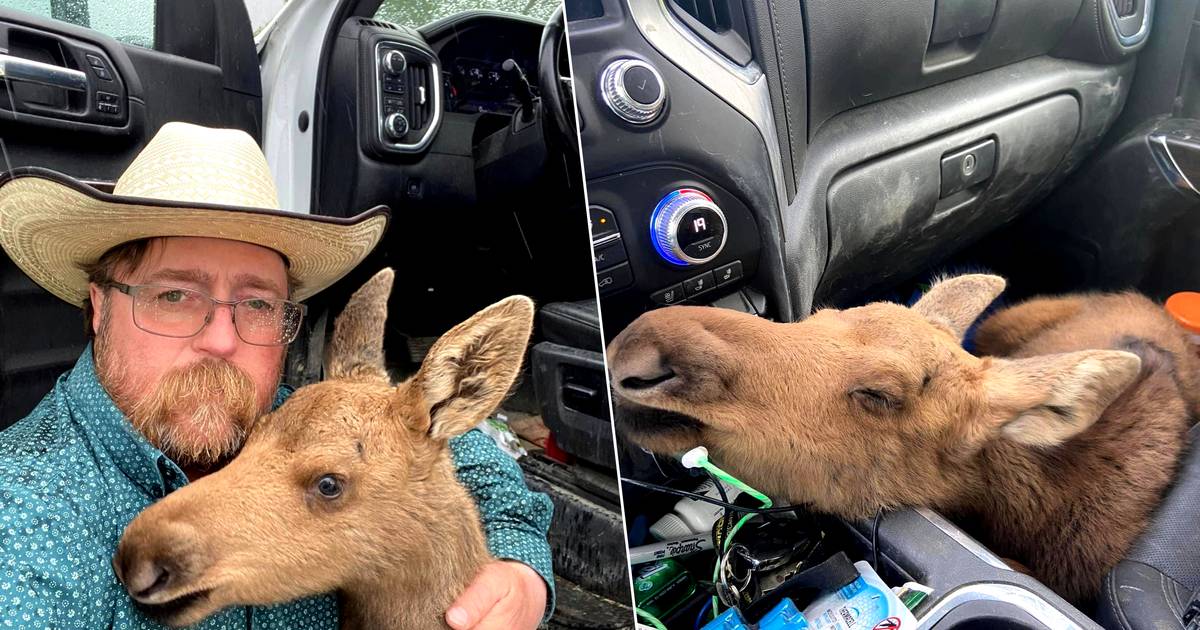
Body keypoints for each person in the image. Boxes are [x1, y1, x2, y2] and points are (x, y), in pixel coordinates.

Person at [0, 122, 553, 629]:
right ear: (99, 307)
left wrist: (519, 568)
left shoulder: (281, 414)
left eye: (258, 304)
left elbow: (461, 456)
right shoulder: (26, 520)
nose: (222, 340)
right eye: (173, 295)